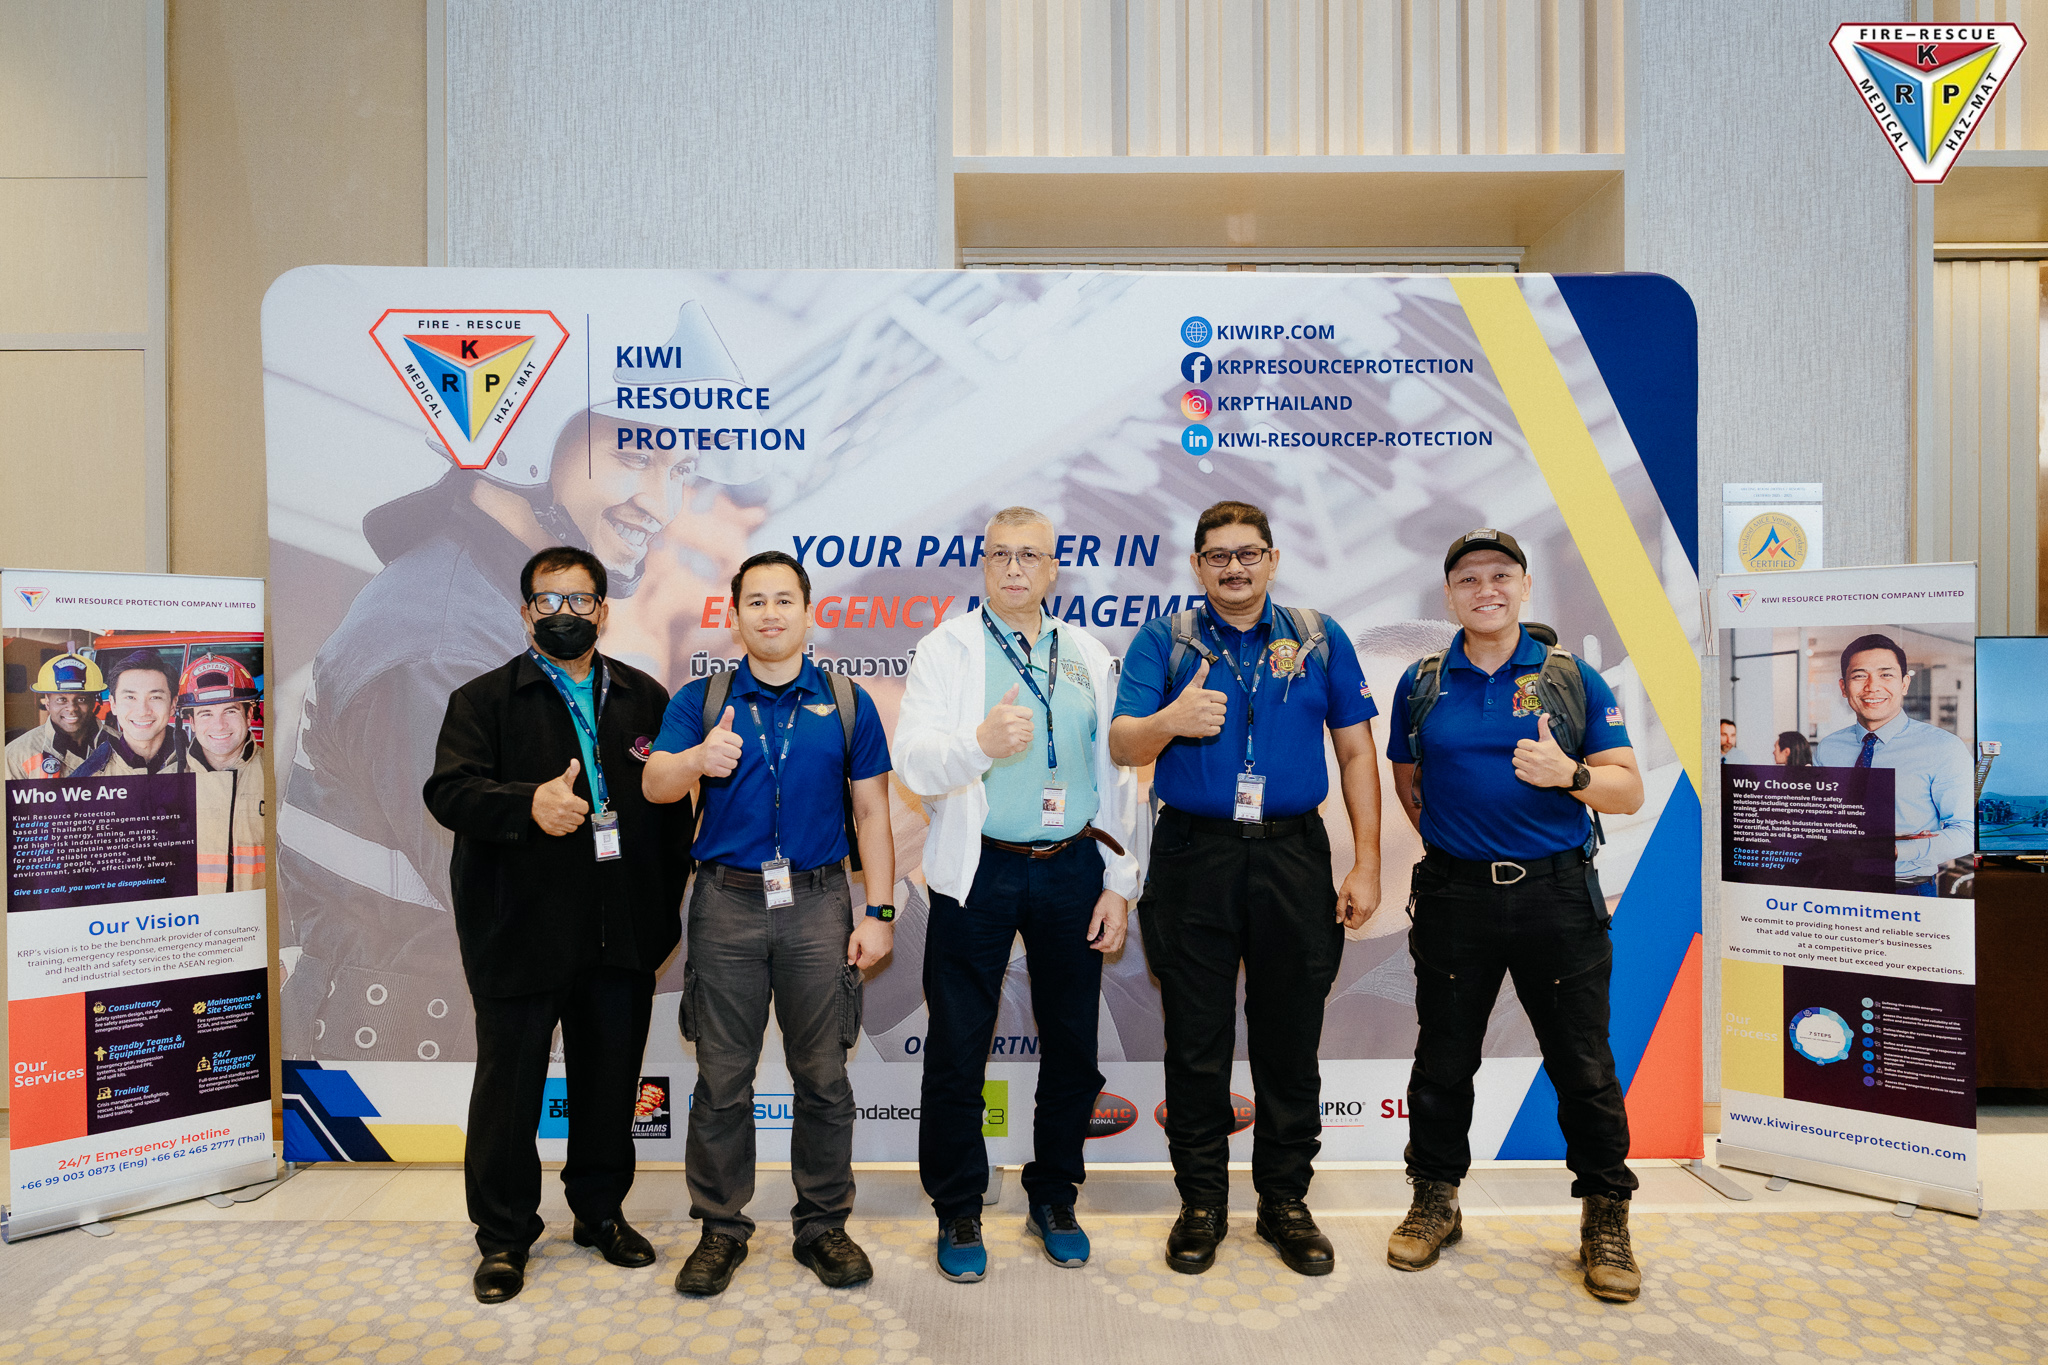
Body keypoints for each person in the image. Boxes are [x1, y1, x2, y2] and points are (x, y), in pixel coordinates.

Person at [278, 388, 756, 1065]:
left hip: (459, 1049)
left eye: (679, 472)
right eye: (635, 458)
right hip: (407, 1080)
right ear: (527, 442)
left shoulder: (502, 613)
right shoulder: (443, 647)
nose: (663, 503)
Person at [1109, 499, 1381, 1279]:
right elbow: (1124, 742)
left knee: (1289, 1040)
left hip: (1293, 854)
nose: (1234, 567)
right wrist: (1172, 718)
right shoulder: (1164, 639)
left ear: (1273, 559)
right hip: (1194, 855)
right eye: (1218, 555)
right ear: (1197, 565)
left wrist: (1366, 861)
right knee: (1197, 1043)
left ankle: (1285, 1201)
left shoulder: (1319, 637)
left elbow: (1357, 753)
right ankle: (1201, 1203)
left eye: (1248, 552)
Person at [1380, 529, 1646, 1303]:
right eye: (1468, 578)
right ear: (1449, 595)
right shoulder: (1423, 682)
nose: (1485, 589)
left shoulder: (1571, 677)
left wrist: (1571, 774)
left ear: (1525, 586)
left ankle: (1606, 1213)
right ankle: (1435, 1198)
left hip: (1556, 896)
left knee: (1582, 1063)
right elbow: (1408, 779)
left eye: (1500, 574)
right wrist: (1454, 846)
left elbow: (1628, 789)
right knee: (1442, 1061)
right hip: (1455, 897)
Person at [422, 546, 691, 1305]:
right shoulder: (483, 699)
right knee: (509, 1093)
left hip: (620, 932)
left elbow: (672, 813)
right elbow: (448, 792)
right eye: (549, 600)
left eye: (579, 600)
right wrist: (527, 804)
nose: (564, 613)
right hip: (520, 931)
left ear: (603, 611)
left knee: (610, 1084)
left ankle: (601, 1214)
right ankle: (504, 1236)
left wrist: (657, 913)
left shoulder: (646, 697)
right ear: (525, 613)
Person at [894, 507, 1142, 1283]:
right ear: (983, 564)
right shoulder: (947, 648)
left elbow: (1117, 775)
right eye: (1000, 554)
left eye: (1029, 555)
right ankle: (958, 1204)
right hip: (980, 867)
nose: (1013, 568)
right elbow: (913, 760)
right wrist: (978, 744)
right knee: (957, 1045)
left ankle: (1055, 1194)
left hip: (1072, 864)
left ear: (1052, 567)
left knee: (1072, 1043)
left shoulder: (1087, 652)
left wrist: (1120, 883)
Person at [644, 550, 896, 1297]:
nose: (771, 613)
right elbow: (655, 783)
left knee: (823, 1075)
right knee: (723, 1078)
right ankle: (721, 1228)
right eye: (755, 601)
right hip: (726, 903)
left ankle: (823, 1225)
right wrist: (697, 757)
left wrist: (879, 911)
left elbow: (873, 812)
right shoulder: (702, 698)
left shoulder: (847, 701)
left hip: (819, 903)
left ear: (809, 611)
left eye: (784, 599)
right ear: (735, 615)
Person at [1813, 633, 1974, 895]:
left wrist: (1897, 850)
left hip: (1906, 888)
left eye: (1886, 675)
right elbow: (1822, 818)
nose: (1872, 687)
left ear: (1904, 684)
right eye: (1859, 676)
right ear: (1843, 687)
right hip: (1836, 883)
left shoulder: (1943, 748)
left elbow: (1967, 831)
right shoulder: (1829, 748)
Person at [181, 654, 268, 894]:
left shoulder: (279, 775)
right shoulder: (167, 781)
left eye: (230, 711)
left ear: (249, 715)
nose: (219, 725)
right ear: (192, 722)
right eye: (206, 713)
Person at [76, 650, 192, 776]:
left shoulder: (198, 768)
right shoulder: (86, 778)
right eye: (130, 697)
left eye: (155, 697)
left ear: (173, 705)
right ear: (113, 704)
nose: (142, 711)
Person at [3, 653, 107, 778]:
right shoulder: (16, 755)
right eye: (61, 700)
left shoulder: (121, 746)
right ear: (47, 702)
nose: (71, 708)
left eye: (81, 699)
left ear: (94, 702)